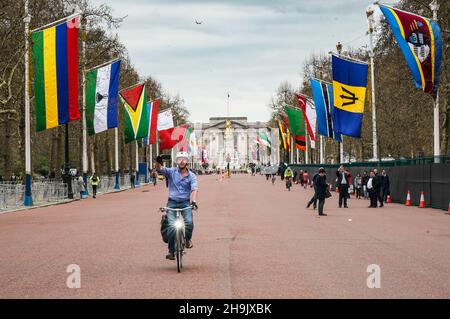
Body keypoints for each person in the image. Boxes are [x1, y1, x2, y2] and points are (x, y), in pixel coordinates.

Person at [155, 152, 198, 261]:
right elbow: (160, 169)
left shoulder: (192, 176)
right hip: (172, 202)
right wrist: (158, 161)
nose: (181, 161)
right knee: (171, 225)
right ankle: (171, 251)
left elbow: (194, 189)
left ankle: (187, 239)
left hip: (185, 202)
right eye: (179, 159)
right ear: (176, 161)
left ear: (187, 161)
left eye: (183, 159)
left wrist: (193, 201)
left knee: (189, 222)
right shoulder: (171, 172)